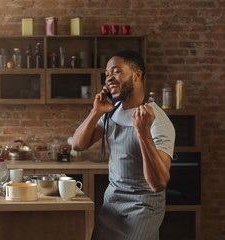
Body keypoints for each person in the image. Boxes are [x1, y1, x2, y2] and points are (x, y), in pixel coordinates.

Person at [72, 50, 175, 240]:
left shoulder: (158, 121)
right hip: (112, 205)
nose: (109, 78)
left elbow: (159, 183)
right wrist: (96, 112)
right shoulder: (112, 112)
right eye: (107, 74)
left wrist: (143, 133)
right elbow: (78, 145)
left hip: (142, 209)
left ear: (136, 75)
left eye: (116, 71)